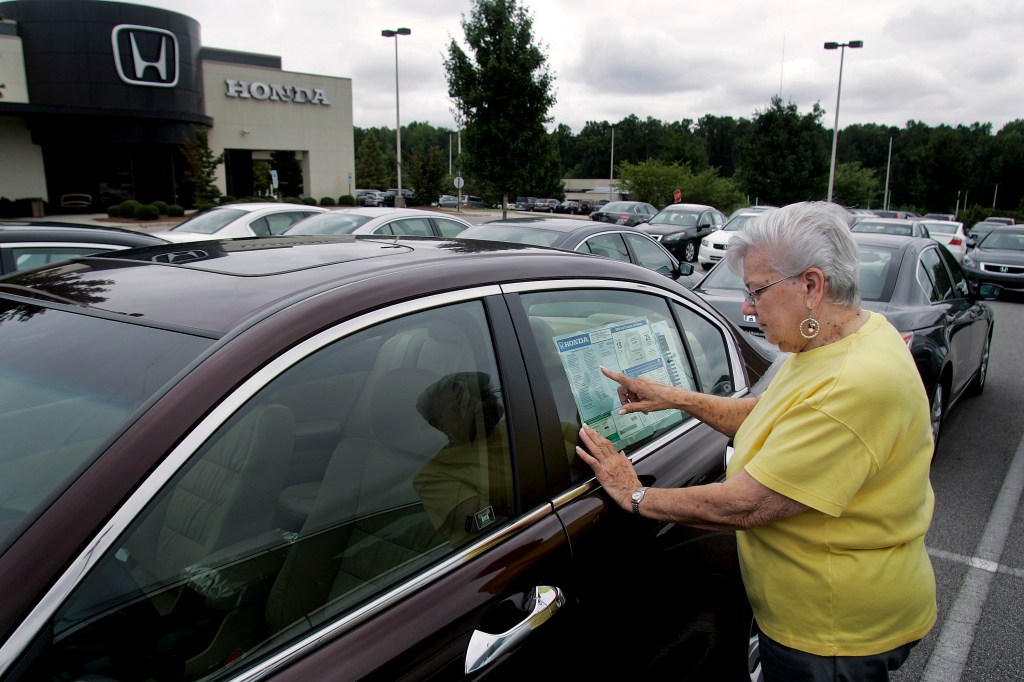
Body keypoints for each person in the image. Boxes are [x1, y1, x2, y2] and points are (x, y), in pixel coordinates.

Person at [576, 201, 936, 680]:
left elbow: (748, 505)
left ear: (811, 286)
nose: (747, 308)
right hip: (827, 616)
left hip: (831, 634)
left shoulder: (852, 383)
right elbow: (769, 417)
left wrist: (634, 494)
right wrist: (678, 398)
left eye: (756, 292)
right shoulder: (843, 338)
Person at [413, 372, 513, 546]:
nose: (480, 406)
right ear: (438, 423)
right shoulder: (432, 476)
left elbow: (575, 436)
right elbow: (480, 521)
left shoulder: (517, 425)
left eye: (485, 395)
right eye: (464, 404)